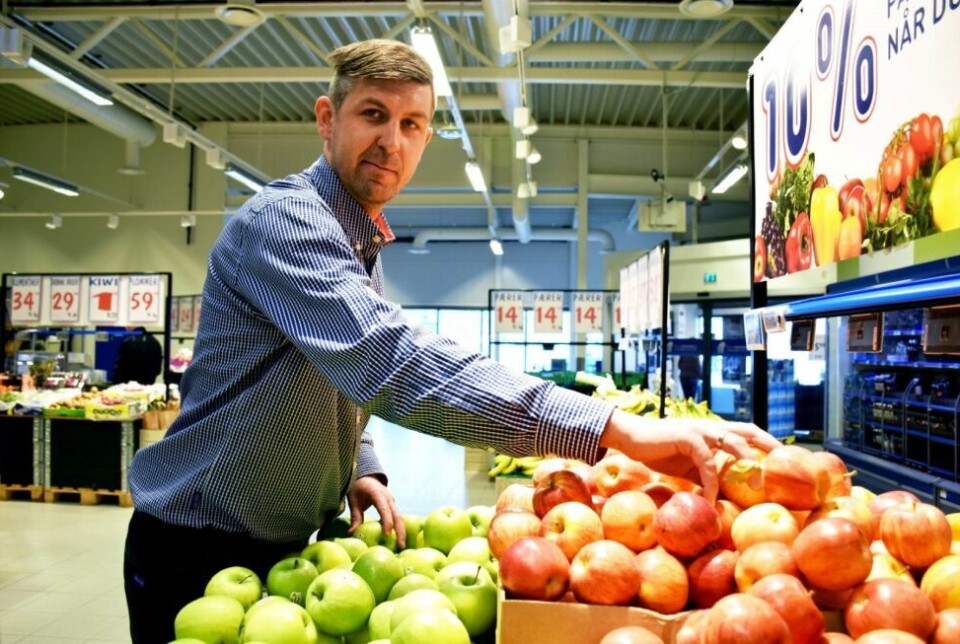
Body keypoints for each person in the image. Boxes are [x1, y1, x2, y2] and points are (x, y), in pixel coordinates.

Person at [123, 39, 779, 642]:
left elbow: (337, 365)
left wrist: (361, 465)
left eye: (411, 125)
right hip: (199, 543)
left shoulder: (360, 238)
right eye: (373, 115)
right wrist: (616, 428)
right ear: (328, 118)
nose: (391, 141)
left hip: (288, 544)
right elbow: (389, 360)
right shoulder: (287, 222)